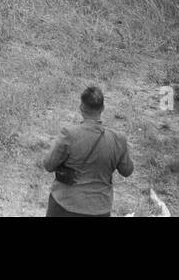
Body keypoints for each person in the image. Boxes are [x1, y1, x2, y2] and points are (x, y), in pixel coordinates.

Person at [41, 85, 134, 217]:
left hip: (65, 204)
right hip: (99, 208)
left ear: (82, 107)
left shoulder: (69, 134)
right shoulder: (118, 139)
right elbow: (127, 171)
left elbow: (48, 165)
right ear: (102, 108)